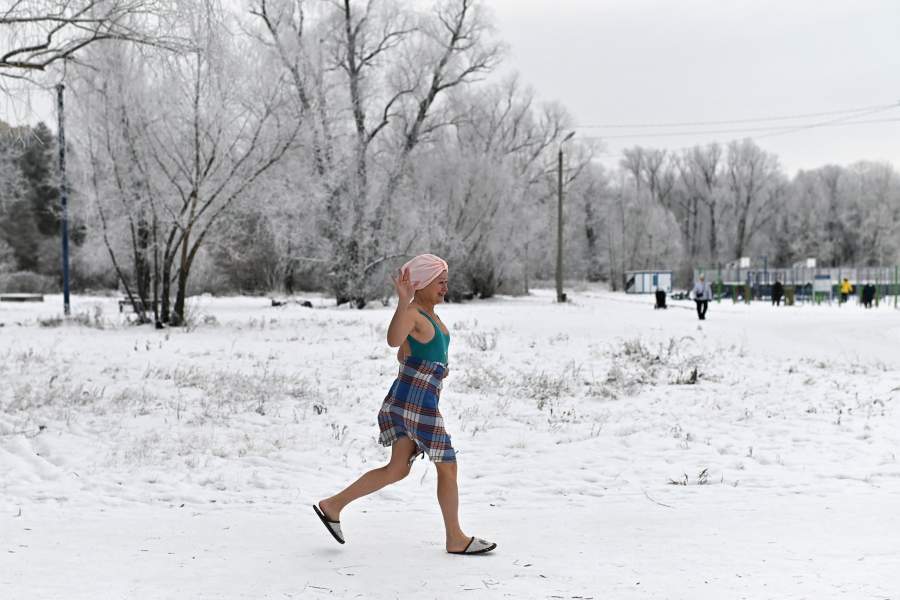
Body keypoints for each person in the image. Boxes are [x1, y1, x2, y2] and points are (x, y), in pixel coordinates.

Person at [313, 253, 496, 556]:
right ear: (421, 283)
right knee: (447, 465)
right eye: (439, 282)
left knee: (397, 469)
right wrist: (402, 301)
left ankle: (332, 505)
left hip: (407, 399)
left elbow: (405, 355)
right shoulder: (413, 313)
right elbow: (394, 340)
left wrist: (434, 367)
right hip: (416, 403)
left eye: (446, 282)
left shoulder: (431, 316)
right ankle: (456, 538)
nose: (444, 287)